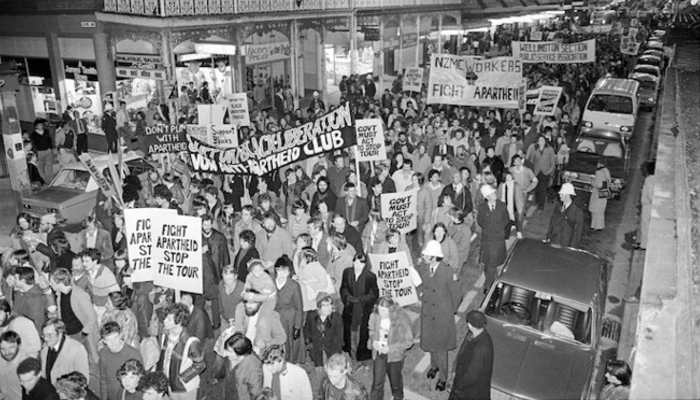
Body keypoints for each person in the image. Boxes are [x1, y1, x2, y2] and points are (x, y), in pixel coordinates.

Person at [418, 240, 461, 392]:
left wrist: (449, 311)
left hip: (442, 316)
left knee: (441, 349)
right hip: (428, 313)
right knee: (431, 344)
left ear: (434, 257)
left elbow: (457, 295)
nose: (423, 256)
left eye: (426, 255)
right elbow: (422, 284)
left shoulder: (448, 272)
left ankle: (443, 378)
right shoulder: (423, 267)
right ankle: (433, 366)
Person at [156, 303, 205, 400]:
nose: (164, 321)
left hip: (185, 388)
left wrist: (181, 379)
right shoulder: (165, 335)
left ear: (179, 322)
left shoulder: (191, 341)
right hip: (169, 384)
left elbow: (200, 365)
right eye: (166, 317)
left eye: (169, 319)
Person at [49, 268, 99, 364]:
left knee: (83, 361)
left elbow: (92, 317)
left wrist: (84, 334)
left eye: (52, 282)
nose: (50, 284)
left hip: (79, 334)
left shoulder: (80, 295)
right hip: (67, 333)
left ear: (59, 282)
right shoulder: (60, 294)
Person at [368, 296, 413, 400]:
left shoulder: (401, 319)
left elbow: (408, 342)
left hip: (394, 356)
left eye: (383, 310)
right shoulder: (374, 316)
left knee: (395, 382)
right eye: (379, 309)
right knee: (377, 383)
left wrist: (390, 348)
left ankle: (398, 397)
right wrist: (373, 341)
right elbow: (372, 330)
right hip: (379, 353)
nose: (381, 313)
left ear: (391, 309)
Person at [340, 252, 378, 366]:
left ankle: (363, 358)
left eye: (360, 263)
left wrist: (361, 300)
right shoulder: (347, 272)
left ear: (365, 264)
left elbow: (374, 293)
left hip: (363, 311)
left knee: (362, 335)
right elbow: (344, 287)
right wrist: (348, 297)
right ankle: (352, 357)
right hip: (350, 309)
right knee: (350, 334)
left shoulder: (370, 276)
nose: (357, 265)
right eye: (356, 262)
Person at [449, 310, 494, 400]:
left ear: (471, 325)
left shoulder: (480, 348)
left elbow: (472, 375)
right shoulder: (478, 335)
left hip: (468, 392)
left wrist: (458, 384)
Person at [477, 184, 510, 290]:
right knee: (487, 263)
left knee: (492, 263)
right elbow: (480, 221)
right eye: (491, 193)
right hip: (487, 239)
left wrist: (498, 229)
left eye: (493, 192)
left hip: (498, 239)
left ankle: (488, 285)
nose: (494, 194)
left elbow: (506, 220)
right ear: (486, 197)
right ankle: (491, 280)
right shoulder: (482, 208)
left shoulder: (502, 205)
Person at [272, 256, 305, 364]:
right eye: (278, 270)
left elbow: (299, 307)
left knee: (291, 343)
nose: (281, 273)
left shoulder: (294, 285)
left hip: (290, 318)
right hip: (275, 317)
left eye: (284, 270)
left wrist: (298, 326)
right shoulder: (270, 283)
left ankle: (291, 363)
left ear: (289, 271)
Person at [98, 321, 142, 400]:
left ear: (121, 335)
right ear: (104, 341)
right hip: (111, 397)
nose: (114, 343)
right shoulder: (103, 353)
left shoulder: (133, 354)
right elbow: (103, 379)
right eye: (109, 340)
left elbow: (141, 381)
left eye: (115, 338)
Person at [39, 318, 89, 386]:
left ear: (60, 334)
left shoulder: (77, 349)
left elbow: (83, 381)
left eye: (49, 335)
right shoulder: (44, 348)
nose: (45, 339)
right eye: (43, 335)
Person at [304, 292, 343, 367]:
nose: (327, 308)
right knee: (320, 371)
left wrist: (336, 354)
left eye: (329, 305)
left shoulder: (337, 318)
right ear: (319, 307)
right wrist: (309, 344)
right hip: (316, 350)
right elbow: (306, 331)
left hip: (331, 350)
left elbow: (339, 338)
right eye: (324, 305)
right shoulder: (311, 316)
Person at [221, 332, 263, 400]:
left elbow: (255, 393)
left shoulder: (254, 366)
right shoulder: (231, 358)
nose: (225, 354)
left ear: (240, 352)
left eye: (229, 351)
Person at [546, 183, 584, 249]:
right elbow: (552, 223)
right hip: (554, 241)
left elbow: (577, 233)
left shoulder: (577, 212)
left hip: (566, 245)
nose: (559, 195)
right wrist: (548, 237)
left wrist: (572, 248)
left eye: (562, 194)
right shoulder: (557, 207)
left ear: (567, 195)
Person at [13, 266, 47, 333]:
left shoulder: (35, 299)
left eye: (15, 278)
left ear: (22, 280)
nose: (14, 280)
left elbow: (36, 324)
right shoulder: (20, 292)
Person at [0, 330, 32, 400]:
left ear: (19, 346)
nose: (7, 352)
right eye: (3, 349)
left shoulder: (27, 364)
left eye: (11, 348)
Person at [635, 161, 656, 250]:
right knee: (647, 225)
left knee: (645, 225)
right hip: (651, 205)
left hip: (648, 205)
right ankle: (644, 242)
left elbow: (651, 194)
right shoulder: (655, 179)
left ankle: (644, 245)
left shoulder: (650, 180)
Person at [589, 158, 612, 232]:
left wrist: (592, 181)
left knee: (595, 209)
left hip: (598, 193)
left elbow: (598, 185)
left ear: (599, 164)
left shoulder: (598, 172)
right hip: (604, 192)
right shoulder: (606, 171)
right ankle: (600, 226)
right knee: (601, 210)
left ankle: (594, 226)